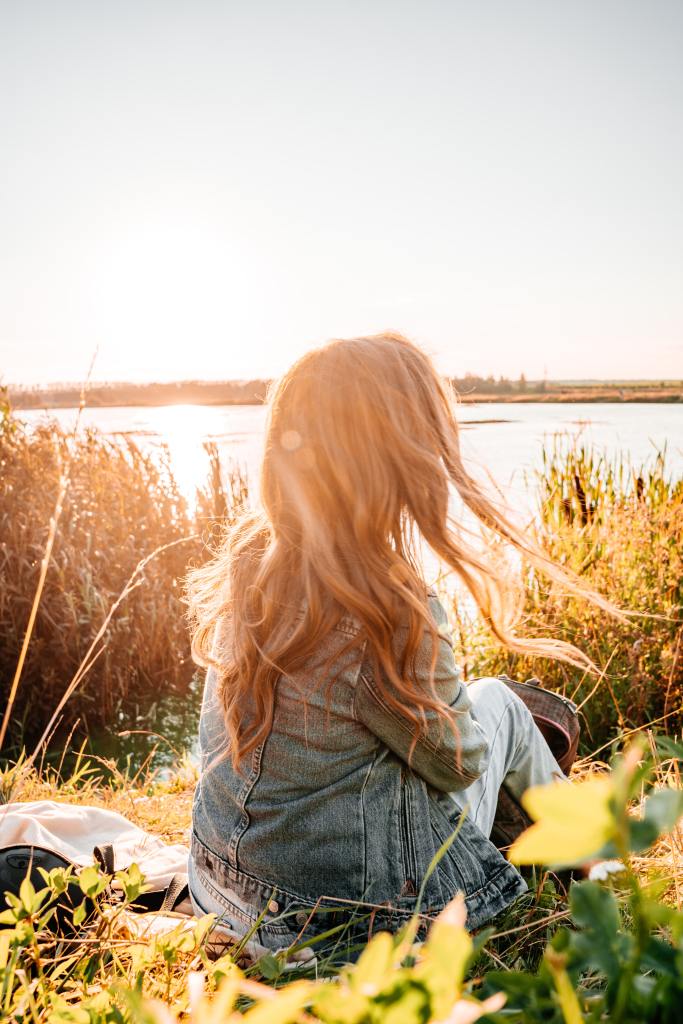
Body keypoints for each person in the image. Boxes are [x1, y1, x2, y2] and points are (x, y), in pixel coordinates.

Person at [186, 333, 612, 954]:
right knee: (507, 712)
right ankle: (600, 865)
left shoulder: (251, 562)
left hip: (223, 890)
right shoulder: (386, 608)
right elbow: (458, 763)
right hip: (346, 924)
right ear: (396, 459)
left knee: (477, 716)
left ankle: (573, 846)